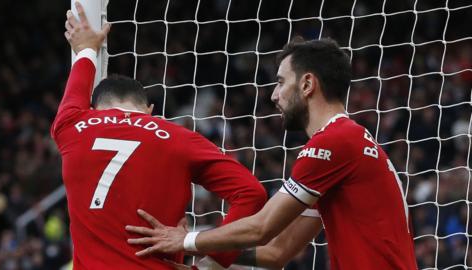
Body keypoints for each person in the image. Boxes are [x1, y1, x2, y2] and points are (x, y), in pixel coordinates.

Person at [125, 38, 419, 270]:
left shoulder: (333, 143)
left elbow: (261, 227)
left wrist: (186, 240)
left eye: (280, 82)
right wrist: (205, 259)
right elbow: (277, 251)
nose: (273, 95)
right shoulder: (347, 144)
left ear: (306, 84)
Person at [53, 2, 267, 269]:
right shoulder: (179, 137)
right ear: (150, 110)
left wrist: (86, 49)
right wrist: (210, 264)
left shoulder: (71, 126)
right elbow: (252, 193)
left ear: (95, 110)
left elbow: (74, 94)